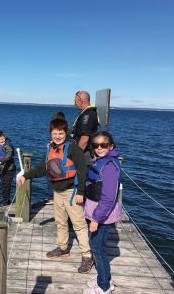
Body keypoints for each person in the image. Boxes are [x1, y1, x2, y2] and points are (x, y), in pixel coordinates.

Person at [17, 118, 94, 274]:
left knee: (79, 224)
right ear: (50, 133)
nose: (58, 136)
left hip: (72, 192)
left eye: (61, 133)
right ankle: (63, 247)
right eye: (55, 133)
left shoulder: (73, 148)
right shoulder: (50, 148)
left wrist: (80, 192)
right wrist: (26, 175)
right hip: (57, 192)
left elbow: (82, 169)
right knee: (60, 222)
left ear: (66, 133)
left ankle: (87, 255)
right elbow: (41, 168)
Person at [85, 131, 121, 294]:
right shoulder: (100, 161)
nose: (99, 148)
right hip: (95, 214)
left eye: (103, 145)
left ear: (111, 146)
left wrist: (96, 219)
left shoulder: (109, 167)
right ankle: (103, 277)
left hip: (101, 217)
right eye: (95, 145)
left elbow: (108, 198)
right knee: (97, 248)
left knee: (98, 249)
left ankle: (104, 286)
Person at [71, 90, 99, 163]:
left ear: (81, 101)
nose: (74, 103)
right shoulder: (87, 113)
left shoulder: (88, 115)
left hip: (84, 154)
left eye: (75, 100)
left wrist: (75, 156)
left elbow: (84, 139)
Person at [45, 111, 66, 205]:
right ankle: (54, 196)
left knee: (51, 175)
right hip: (60, 159)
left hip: (57, 159)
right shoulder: (66, 130)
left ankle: (52, 197)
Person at [0, 131, 16, 206]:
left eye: (2, 139)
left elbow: (9, 155)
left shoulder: (7, 146)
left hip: (9, 169)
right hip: (3, 169)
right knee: (5, 185)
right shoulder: (1, 146)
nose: (1, 141)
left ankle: (5, 202)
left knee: (6, 186)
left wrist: (1, 162)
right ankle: (6, 201)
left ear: (5, 137)